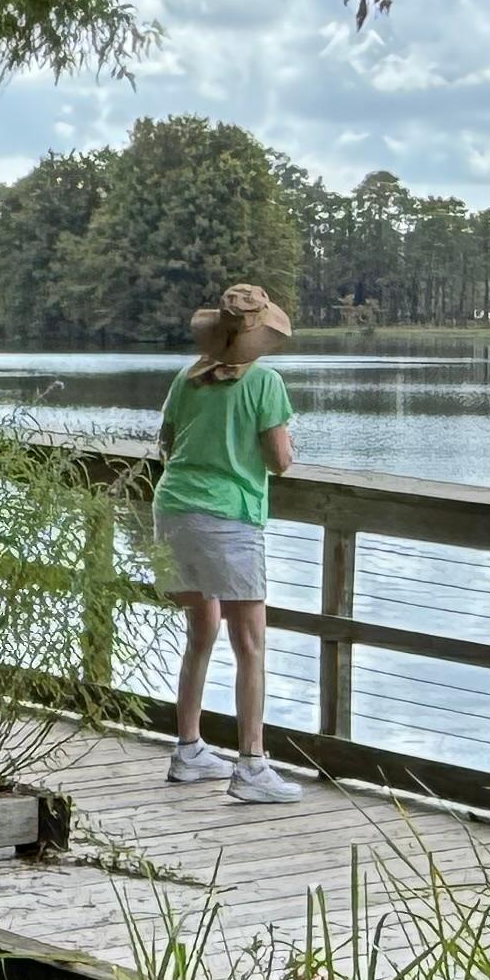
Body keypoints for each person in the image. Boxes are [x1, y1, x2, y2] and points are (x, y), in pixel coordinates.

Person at [156, 282, 304, 805]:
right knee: (250, 644)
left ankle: (190, 750)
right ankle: (252, 766)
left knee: (202, 630)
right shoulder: (266, 384)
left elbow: (168, 444)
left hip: (173, 509)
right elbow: (280, 461)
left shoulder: (186, 378)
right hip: (229, 516)